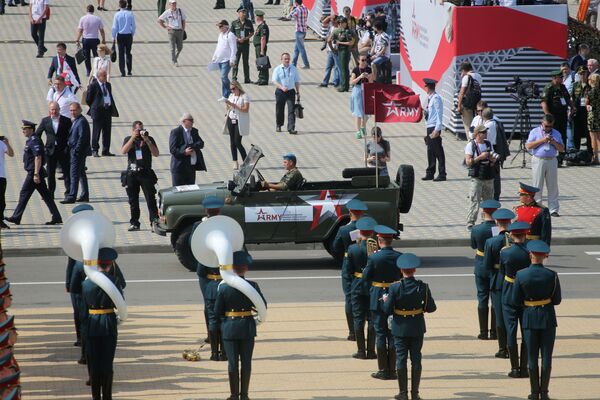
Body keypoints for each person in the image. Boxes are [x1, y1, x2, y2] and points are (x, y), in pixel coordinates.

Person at [511, 240, 561, 400]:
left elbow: (515, 300)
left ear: (530, 254)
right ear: (545, 256)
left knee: (532, 357)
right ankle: (544, 392)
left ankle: (534, 393)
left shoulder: (521, 274)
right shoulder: (552, 275)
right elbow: (557, 300)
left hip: (529, 317)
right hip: (547, 317)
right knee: (546, 357)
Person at [383, 253, 436, 400]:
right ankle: (415, 393)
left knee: (401, 360)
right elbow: (431, 308)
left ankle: (403, 393)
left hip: (400, 327)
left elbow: (387, 310)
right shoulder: (423, 287)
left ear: (401, 270)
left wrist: (386, 300)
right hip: (417, 327)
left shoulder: (394, 287)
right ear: (414, 270)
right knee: (416, 360)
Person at [214, 250, 267, 400]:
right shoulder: (253, 286)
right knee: (246, 363)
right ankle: (244, 395)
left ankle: (233, 395)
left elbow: (217, 312)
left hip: (230, 329)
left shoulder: (223, 288)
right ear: (246, 268)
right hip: (247, 328)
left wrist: (223, 326)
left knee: (232, 364)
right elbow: (262, 306)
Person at [82, 247, 123, 400]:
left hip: (91, 325)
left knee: (94, 364)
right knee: (107, 363)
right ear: (110, 264)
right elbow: (120, 303)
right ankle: (107, 396)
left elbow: (82, 312)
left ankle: (95, 397)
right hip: (108, 324)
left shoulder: (86, 284)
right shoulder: (114, 281)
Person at [362, 224, 402, 381]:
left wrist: (371, 293)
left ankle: (383, 370)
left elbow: (365, 278)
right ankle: (393, 370)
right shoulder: (399, 256)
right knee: (392, 333)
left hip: (377, 296)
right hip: (394, 295)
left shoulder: (373, 257)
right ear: (391, 240)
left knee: (380, 333)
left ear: (379, 240)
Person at [5, 120, 62, 226]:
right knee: (46, 195)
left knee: (24, 193)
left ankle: (16, 217)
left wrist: (36, 173)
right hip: (35, 172)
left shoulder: (35, 140)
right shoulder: (31, 140)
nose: (23, 131)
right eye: (23, 129)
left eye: (25, 129)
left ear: (31, 129)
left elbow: (38, 157)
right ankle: (56, 216)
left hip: (34, 173)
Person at [332, 199, 368, 342]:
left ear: (350, 212)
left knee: (350, 297)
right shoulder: (369, 227)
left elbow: (335, 247)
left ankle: (353, 332)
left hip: (349, 263)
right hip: (366, 262)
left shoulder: (344, 229)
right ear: (363, 213)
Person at [500, 221, 531, 379]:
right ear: (525, 234)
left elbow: (502, 271)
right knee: (525, 331)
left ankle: (514, 368)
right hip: (526, 294)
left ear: (511, 235)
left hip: (509, 291)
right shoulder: (530, 252)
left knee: (511, 331)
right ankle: (524, 368)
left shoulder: (505, 252)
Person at [483, 207, 515, 359]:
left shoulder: (491, 242)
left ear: (496, 222)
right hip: (514, 281)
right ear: (510, 222)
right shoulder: (517, 241)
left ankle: (503, 349)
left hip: (497, 281)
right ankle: (513, 345)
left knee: (500, 316)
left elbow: (487, 265)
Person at [65, 203, 94, 367]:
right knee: (79, 315)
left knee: (84, 317)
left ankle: (84, 351)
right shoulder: (74, 235)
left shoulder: (97, 231)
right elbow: (70, 261)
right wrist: (68, 282)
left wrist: (70, 283)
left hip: (84, 282)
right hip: (78, 281)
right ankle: (79, 339)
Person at [194, 196, 224, 346]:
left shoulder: (198, 226)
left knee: (208, 304)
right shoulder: (228, 225)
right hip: (225, 269)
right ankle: (222, 334)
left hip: (205, 272)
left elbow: (192, 245)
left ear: (205, 210)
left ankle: (211, 335)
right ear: (219, 210)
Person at [469, 199, 500, 340]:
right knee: (495, 298)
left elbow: (473, 246)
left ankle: (483, 332)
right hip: (495, 266)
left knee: (482, 297)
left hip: (481, 265)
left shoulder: (476, 229)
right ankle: (494, 332)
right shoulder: (499, 229)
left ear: (483, 212)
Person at [348, 216, 378, 360]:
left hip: (358, 285)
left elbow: (348, 270)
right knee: (372, 318)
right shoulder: (377, 247)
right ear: (371, 232)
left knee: (358, 318)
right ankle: (371, 351)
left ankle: (361, 351)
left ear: (360, 232)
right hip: (373, 286)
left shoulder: (353, 248)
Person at [121, 121, 159, 232]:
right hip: (132, 173)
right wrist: (133, 138)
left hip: (145, 173)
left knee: (150, 199)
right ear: (133, 130)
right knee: (133, 200)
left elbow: (156, 153)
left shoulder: (149, 139)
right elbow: (123, 151)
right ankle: (135, 223)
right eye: (138, 130)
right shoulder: (128, 139)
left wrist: (147, 140)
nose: (140, 132)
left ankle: (154, 221)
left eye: (142, 129)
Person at [526, 114, 564, 217]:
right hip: (538, 160)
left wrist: (553, 142)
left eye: (550, 126)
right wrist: (542, 140)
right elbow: (528, 146)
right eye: (546, 126)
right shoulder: (535, 132)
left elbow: (562, 149)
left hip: (551, 160)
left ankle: (553, 209)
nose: (548, 128)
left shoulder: (556, 133)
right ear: (542, 123)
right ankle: (537, 207)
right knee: (537, 184)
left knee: (552, 185)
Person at [34, 101, 72, 198]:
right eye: (52, 109)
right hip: (50, 151)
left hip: (63, 151)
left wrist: (68, 147)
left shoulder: (66, 121)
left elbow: (71, 135)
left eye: (55, 109)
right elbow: (38, 134)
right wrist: (41, 148)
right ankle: (50, 193)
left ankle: (68, 193)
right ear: (49, 110)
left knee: (67, 173)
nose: (54, 111)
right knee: (50, 174)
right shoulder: (45, 121)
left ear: (59, 110)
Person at [465, 125, 497, 229]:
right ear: (478, 134)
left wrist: (493, 160)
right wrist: (480, 157)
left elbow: (492, 159)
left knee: (489, 201)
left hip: (488, 177)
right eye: (483, 132)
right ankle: (470, 222)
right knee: (475, 200)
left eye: (485, 132)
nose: (485, 134)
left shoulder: (488, 143)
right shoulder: (471, 145)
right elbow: (468, 162)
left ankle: (487, 221)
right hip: (477, 178)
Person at [61, 102, 91, 204]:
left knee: (73, 174)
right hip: (75, 151)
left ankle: (72, 196)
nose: (72, 112)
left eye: (74, 110)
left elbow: (82, 138)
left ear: (79, 110)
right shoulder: (76, 120)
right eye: (71, 110)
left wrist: (76, 150)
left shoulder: (81, 121)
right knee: (81, 173)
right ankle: (84, 195)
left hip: (77, 152)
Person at [541, 70, 572, 165]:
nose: (562, 79)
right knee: (553, 135)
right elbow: (543, 102)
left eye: (562, 77)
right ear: (554, 78)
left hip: (562, 115)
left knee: (563, 135)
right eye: (560, 77)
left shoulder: (562, 87)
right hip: (553, 117)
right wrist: (548, 115)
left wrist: (572, 107)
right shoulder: (549, 88)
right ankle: (552, 155)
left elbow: (567, 98)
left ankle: (562, 156)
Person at [86, 69, 119, 157]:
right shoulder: (93, 86)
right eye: (103, 76)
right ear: (98, 76)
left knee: (107, 131)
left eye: (106, 75)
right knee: (96, 131)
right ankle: (95, 150)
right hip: (97, 112)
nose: (105, 77)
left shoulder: (108, 85)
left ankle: (105, 150)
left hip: (107, 110)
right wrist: (95, 106)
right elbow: (88, 99)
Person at [169, 113, 206, 186]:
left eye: (193, 120)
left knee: (190, 190)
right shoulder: (176, 132)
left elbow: (201, 143)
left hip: (191, 167)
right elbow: (173, 150)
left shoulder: (194, 131)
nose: (192, 122)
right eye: (190, 120)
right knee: (178, 191)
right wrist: (184, 152)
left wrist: (192, 146)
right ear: (184, 121)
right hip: (179, 167)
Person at [422, 78, 446, 181]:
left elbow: (439, 115)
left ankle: (442, 174)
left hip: (434, 127)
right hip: (429, 127)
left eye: (426, 86)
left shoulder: (436, 98)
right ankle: (430, 173)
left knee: (438, 151)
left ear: (428, 87)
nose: (425, 88)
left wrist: (437, 129)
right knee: (430, 151)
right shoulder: (430, 98)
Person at [271, 53, 301, 135]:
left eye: (288, 59)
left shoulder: (293, 69)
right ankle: (279, 124)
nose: (287, 60)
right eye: (285, 59)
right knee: (280, 109)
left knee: (291, 110)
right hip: (280, 92)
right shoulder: (277, 69)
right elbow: (274, 81)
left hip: (291, 91)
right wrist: (281, 87)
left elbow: (297, 81)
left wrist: (298, 92)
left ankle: (291, 128)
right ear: (282, 60)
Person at [225, 80, 251, 170]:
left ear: (238, 87)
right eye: (230, 89)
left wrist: (233, 105)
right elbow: (228, 107)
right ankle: (235, 161)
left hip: (239, 121)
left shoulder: (244, 96)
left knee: (237, 142)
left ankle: (246, 161)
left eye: (233, 89)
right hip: (231, 119)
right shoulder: (231, 96)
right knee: (232, 142)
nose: (232, 91)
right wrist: (227, 105)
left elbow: (246, 109)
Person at [76, 5, 106, 77]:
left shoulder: (83, 18)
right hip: (95, 39)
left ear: (87, 10)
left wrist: (77, 39)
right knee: (97, 56)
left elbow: (80, 30)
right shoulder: (97, 19)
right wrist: (103, 39)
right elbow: (101, 30)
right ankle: (97, 70)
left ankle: (88, 71)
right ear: (93, 10)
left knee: (87, 56)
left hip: (86, 39)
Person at [212, 20, 237, 99]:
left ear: (226, 27)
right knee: (222, 78)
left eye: (221, 27)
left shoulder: (230, 35)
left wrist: (232, 59)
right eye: (219, 27)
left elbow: (234, 48)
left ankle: (230, 92)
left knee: (223, 76)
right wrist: (214, 57)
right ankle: (225, 95)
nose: (219, 28)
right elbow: (218, 47)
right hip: (220, 60)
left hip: (227, 60)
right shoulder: (220, 35)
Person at [481, 107, 502, 201]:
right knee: (495, 172)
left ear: (483, 116)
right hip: (495, 148)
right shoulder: (496, 122)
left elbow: (486, 139)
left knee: (493, 173)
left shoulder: (488, 126)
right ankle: (495, 194)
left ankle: (495, 194)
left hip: (491, 149)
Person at [350, 55, 372, 139]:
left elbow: (371, 82)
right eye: (362, 60)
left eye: (365, 60)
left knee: (367, 113)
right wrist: (360, 77)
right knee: (358, 113)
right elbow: (351, 82)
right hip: (357, 90)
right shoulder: (355, 70)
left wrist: (369, 77)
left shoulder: (369, 69)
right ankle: (358, 131)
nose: (364, 62)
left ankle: (363, 126)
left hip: (366, 89)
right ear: (358, 60)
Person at [158, 0, 186, 67]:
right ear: (169, 4)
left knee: (180, 47)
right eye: (172, 4)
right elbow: (159, 20)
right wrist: (165, 27)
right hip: (171, 32)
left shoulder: (180, 10)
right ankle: (174, 61)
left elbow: (184, 20)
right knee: (172, 47)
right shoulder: (167, 12)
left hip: (179, 31)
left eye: (175, 3)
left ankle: (175, 58)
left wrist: (183, 29)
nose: (174, 5)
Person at [112, 0, 136, 77]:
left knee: (121, 54)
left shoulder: (117, 14)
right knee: (128, 53)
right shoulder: (130, 13)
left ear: (119, 5)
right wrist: (132, 33)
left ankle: (122, 71)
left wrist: (113, 37)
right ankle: (129, 70)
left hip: (120, 36)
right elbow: (134, 26)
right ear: (126, 5)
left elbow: (114, 27)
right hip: (128, 35)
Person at [457, 62, 482, 134]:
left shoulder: (466, 77)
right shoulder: (479, 76)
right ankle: (476, 140)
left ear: (463, 70)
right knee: (476, 123)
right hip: (477, 104)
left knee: (468, 125)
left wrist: (459, 106)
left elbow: (461, 93)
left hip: (466, 104)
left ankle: (470, 142)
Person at [231, 7, 254, 84]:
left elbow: (252, 32)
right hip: (237, 45)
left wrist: (246, 38)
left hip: (245, 45)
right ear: (239, 13)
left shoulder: (249, 22)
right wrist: (237, 39)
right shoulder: (234, 23)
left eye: (245, 12)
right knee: (235, 62)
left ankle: (247, 79)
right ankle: (234, 78)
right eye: (242, 12)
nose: (244, 14)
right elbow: (231, 34)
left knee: (245, 62)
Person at [571, 66, 591, 153]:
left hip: (587, 111)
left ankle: (590, 152)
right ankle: (576, 151)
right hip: (577, 111)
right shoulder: (575, 85)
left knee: (588, 132)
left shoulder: (590, 84)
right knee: (576, 132)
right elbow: (572, 98)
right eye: (581, 73)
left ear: (587, 74)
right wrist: (571, 109)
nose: (583, 75)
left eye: (584, 73)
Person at [318, 16, 340, 89]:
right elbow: (324, 22)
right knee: (328, 67)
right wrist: (330, 17)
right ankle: (325, 82)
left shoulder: (339, 29)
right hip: (330, 50)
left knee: (337, 67)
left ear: (337, 20)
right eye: (331, 20)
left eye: (333, 20)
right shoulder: (331, 27)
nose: (332, 21)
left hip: (336, 50)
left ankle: (336, 82)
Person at [333, 17, 353, 92]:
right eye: (339, 23)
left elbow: (350, 42)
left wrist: (340, 43)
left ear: (345, 23)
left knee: (344, 69)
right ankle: (344, 85)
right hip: (340, 51)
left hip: (345, 51)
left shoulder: (347, 32)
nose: (340, 24)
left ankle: (344, 86)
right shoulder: (341, 31)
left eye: (342, 23)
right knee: (342, 69)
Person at [289, 0, 309, 69]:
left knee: (301, 49)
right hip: (304, 30)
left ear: (296, 3)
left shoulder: (297, 10)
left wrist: (292, 9)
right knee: (296, 49)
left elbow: (289, 16)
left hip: (299, 31)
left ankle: (306, 64)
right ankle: (293, 64)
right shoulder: (305, 8)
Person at [0, 137, 14, 230]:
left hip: (1, 176)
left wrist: (8, 144)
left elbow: (11, 154)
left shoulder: (1, 143)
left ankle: (0, 221)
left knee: (2, 201)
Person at [586, 73, 600, 164]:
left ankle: (595, 157)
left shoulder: (590, 92)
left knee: (593, 138)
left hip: (592, 116)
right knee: (599, 137)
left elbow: (587, 104)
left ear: (592, 81)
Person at [253, 10, 269, 86]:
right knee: (260, 62)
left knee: (263, 62)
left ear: (259, 17)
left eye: (256, 16)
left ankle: (264, 79)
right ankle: (260, 78)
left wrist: (262, 50)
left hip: (260, 47)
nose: (256, 18)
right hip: (258, 46)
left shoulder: (263, 26)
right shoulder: (260, 26)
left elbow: (263, 38)